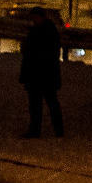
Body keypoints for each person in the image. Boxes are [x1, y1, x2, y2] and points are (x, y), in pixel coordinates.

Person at [18, 8, 65, 138]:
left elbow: (34, 53)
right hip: (41, 74)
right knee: (41, 104)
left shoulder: (45, 32)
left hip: (43, 74)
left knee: (46, 103)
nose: (34, 20)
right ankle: (48, 129)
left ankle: (50, 130)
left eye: (35, 17)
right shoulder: (45, 31)